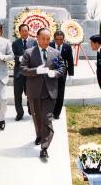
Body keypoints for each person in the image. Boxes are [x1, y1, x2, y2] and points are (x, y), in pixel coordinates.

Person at [20, 28, 66, 159]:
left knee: (46, 118)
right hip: (34, 91)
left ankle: (44, 147)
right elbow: (23, 69)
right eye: (43, 39)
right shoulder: (29, 52)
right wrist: (36, 71)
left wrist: (55, 73)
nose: (46, 41)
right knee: (37, 117)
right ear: (37, 38)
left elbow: (62, 67)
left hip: (50, 91)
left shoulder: (56, 52)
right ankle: (39, 135)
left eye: (48, 39)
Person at [12, 24, 36, 120]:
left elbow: (36, 55)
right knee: (17, 94)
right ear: (19, 32)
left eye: (26, 30)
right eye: (22, 31)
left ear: (28, 31)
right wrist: (19, 58)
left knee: (30, 93)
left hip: (30, 73)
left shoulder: (33, 42)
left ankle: (31, 109)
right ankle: (19, 113)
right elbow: (12, 56)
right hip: (19, 72)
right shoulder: (15, 43)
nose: (24, 32)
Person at [50, 30, 74, 119]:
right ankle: (51, 110)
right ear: (54, 39)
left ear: (63, 39)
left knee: (60, 93)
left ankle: (57, 113)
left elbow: (70, 60)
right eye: (57, 39)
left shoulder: (67, 47)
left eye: (61, 39)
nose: (59, 41)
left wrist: (71, 73)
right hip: (51, 72)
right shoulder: (50, 45)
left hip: (62, 73)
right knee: (51, 93)